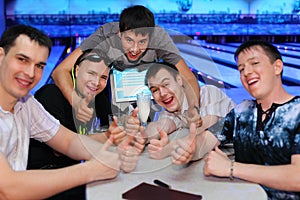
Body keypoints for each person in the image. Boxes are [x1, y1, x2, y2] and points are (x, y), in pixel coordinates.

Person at [0, 24, 123, 200]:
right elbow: (6, 188)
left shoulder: (26, 104)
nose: (30, 73)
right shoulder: (45, 97)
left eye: (40, 66)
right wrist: (90, 171)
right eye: (22, 60)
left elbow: (68, 142)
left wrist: (116, 154)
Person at [51, 5, 200, 124]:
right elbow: (60, 70)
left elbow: (187, 76)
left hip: (145, 93)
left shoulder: (159, 37)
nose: (135, 49)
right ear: (119, 33)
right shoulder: (105, 35)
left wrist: (193, 108)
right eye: (129, 40)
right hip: (109, 94)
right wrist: (76, 102)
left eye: (142, 42)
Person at [203, 40, 300, 199]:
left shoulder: (297, 111)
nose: (246, 72)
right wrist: (185, 148)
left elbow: (298, 177)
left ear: (277, 67)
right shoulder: (242, 111)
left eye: (254, 63)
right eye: (241, 69)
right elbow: (207, 140)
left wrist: (231, 168)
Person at [27, 48, 127, 199]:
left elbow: (113, 127)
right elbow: (61, 148)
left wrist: (123, 130)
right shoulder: (51, 94)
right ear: (77, 70)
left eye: (103, 77)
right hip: (44, 177)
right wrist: (106, 136)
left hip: (73, 172)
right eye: (91, 73)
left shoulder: (98, 99)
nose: (96, 82)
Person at [125, 62, 235, 164]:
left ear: (179, 80)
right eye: (155, 90)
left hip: (240, 159)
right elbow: (161, 125)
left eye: (166, 84)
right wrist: (142, 136)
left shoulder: (208, 93)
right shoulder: (171, 111)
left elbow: (205, 130)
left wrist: (168, 148)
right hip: (214, 160)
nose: (162, 93)